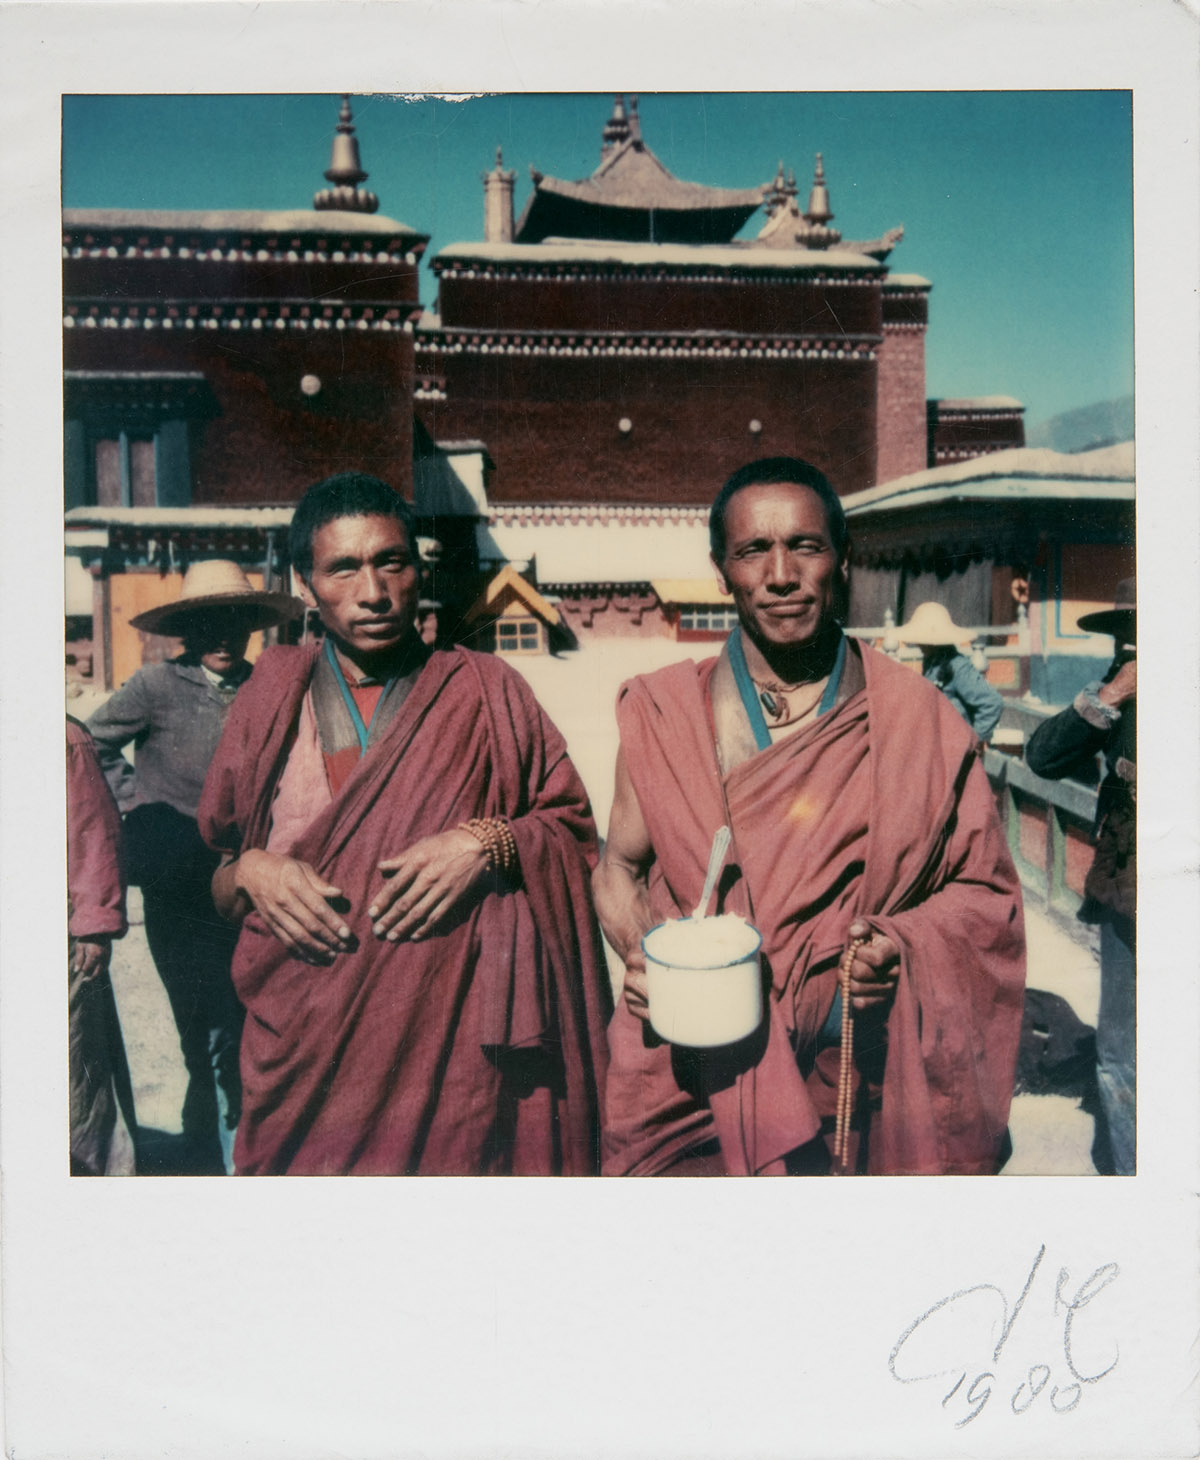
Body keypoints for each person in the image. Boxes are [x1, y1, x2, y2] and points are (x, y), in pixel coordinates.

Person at [594, 457, 1026, 1176]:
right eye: (753, 550)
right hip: (692, 1066)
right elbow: (616, 866)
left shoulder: (916, 718)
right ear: (721, 569)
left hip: (854, 1072)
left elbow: (987, 898)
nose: (781, 574)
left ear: (842, 558)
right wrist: (643, 955)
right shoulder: (665, 712)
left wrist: (903, 945)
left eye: (806, 546)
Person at [197, 472, 611, 1176]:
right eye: (344, 568)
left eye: (391, 562)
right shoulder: (269, 697)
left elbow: (572, 831)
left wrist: (492, 843)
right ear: (306, 583)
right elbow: (219, 879)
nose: (373, 591)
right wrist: (256, 870)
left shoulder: (486, 690)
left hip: (455, 1063)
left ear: (418, 570)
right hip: (304, 1054)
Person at [86, 561, 302, 1174]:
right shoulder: (156, 686)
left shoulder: (269, 689)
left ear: (251, 627)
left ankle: (239, 1159)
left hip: (245, 883)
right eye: (208, 623)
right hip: (174, 885)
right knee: (197, 1027)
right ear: (188, 629)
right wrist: (139, 804)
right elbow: (91, 742)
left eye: (234, 622)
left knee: (241, 1020)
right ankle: (203, 1147)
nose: (223, 636)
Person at [1025, 579, 1136, 1175]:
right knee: (1122, 1051)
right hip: (1127, 884)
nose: (1131, 648)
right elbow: (1041, 757)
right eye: (1126, 638)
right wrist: (1114, 693)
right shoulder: (1115, 691)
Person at [66, 716, 138, 1175]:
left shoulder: (63, 737)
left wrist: (93, 926)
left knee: (74, 1067)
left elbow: (93, 828)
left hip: (54, 930)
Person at [897, 601, 1005, 743]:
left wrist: (974, 740)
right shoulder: (931, 663)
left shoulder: (957, 666)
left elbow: (992, 702)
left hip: (954, 743)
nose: (919, 644)